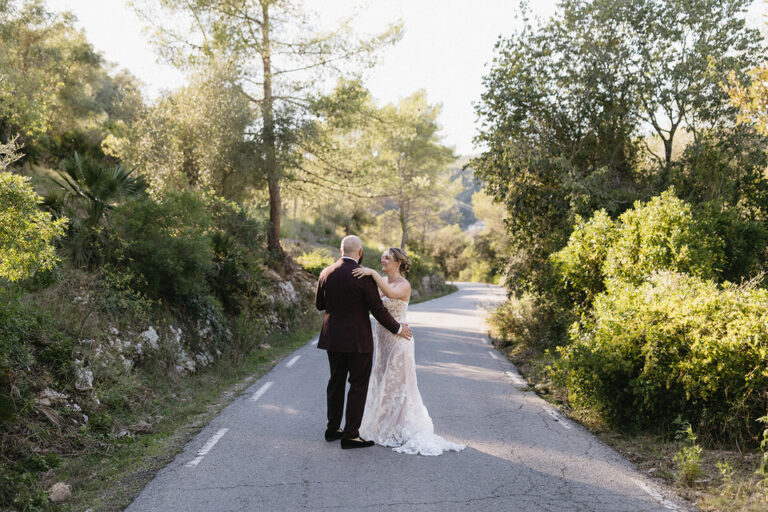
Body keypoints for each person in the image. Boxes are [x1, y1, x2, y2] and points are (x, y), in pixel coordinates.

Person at [353, 247, 466, 456]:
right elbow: (375, 305)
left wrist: (372, 273)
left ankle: (398, 428)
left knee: (397, 385)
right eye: (382, 257)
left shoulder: (403, 285)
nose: (382, 260)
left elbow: (390, 295)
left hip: (399, 340)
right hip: (383, 341)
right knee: (382, 381)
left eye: (387, 257)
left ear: (397, 263)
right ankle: (381, 425)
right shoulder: (382, 282)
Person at [315, 236, 413, 449]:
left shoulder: (325, 273)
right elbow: (377, 310)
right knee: (358, 385)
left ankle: (332, 429)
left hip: (332, 338)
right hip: (359, 341)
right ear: (359, 252)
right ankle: (351, 435)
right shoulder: (363, 277)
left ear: (341, 251)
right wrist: (397, 328)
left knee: (335, 382)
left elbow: (319, 305)